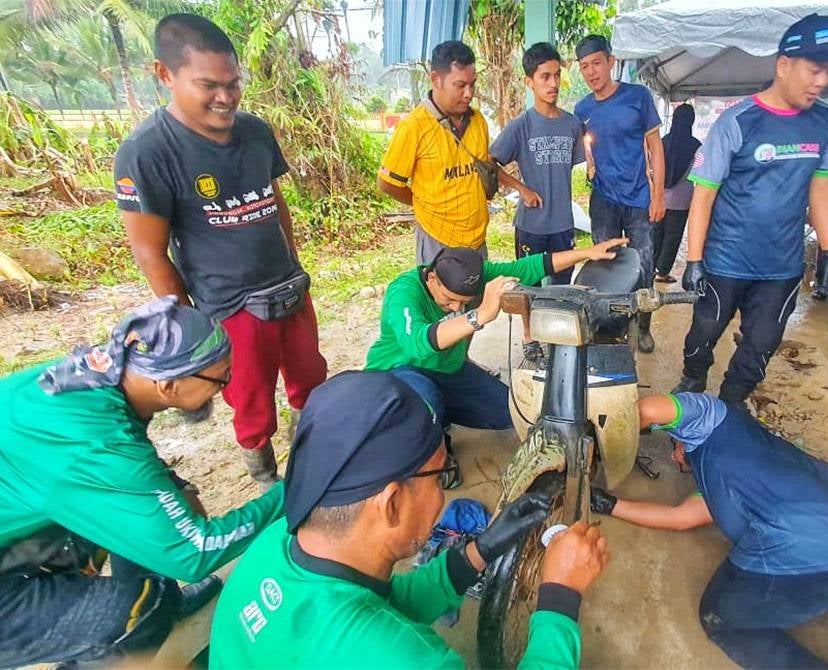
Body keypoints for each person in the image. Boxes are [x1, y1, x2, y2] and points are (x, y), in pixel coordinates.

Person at [209, 371, 609, 669]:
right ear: (392, 503)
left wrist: (481, 549)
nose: (445, 490)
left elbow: (387, 603)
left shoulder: (275, 545)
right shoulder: (407, 659)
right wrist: (560, 597)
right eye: (439, 475)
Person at [0, 297, 285, 668]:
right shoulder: (97, 447)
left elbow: (133, 473)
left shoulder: (93, 376)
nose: (223, 387)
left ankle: (163, 600)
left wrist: (174, 484)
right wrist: (287, 494)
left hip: (21, 522)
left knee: (146, 518)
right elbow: (195, 553)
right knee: (143, 609)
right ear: (168, 385)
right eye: (220, 378)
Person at [114, 14, 327, 488]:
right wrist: (190, 327)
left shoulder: (255, 132)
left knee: (310, 377)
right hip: (231, 306)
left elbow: (274, 202)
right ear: (165, 74)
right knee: (250, 400)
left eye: (233, 84)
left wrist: (293, 263)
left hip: (288, 287)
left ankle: (312, 450)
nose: (226, 97)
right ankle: (265, 475)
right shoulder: (147, 152)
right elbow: (150, 253)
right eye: (208, 85)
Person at [589, 392, 828, 670]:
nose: (672, 457)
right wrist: (610, 504)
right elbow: (678, 518)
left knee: (720, 618)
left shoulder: (707, 419)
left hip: (803, 541)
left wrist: (601, 438)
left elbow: (647, 410)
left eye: (673, 447)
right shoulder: (721, 484)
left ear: (681, 437)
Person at [673, 13, 828, 405]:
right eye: (814, 70)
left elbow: (822, 185)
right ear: (784, 65)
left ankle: (731, 406)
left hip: (781, 267)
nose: (822, 81)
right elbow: (703, 195)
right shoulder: (738, 121)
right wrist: (695, 261)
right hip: (725, 261)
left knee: (761, 344)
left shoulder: (824, 121)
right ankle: (693, 379)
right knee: (704, 331)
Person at [365, 239, 626, 486]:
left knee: (511, 413)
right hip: (399, 372)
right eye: (449, 300)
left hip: (448, 369)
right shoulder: (404, 292)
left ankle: (437, 414)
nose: (455, 307)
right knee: (425, 401)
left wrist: (587, 252)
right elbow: (418, 344)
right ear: (432, 278)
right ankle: (431, 451)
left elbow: (531, 267)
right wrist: (479, 314)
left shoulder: (479, 276)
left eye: (463, 303)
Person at [379, 41, 530, 264]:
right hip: (438, 241)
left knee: (479, 288)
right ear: (435, 80)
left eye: (472, 85)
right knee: (443, 289)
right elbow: (387, 183)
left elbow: (484, 167)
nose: (468, 94)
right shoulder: (414, 127)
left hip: (477, 240)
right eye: (460, 85)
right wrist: (422, 204)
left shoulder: (478, 121)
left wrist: (519, 188)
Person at [490, 42, 585, 364]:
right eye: (545, 76)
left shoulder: (572, 124)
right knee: (528, 286)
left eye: (557, 75)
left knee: (561, 287)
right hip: (531, 225)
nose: (553, 83)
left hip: (563, 224)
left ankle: (557, 337)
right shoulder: (521, 126)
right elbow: (489, 164)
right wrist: (522, 188)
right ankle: (530, 337)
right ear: (529, 81)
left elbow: (578, 162)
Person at [575, 34, 665, 353]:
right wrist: (590, 162)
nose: (591, 72)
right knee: (606, 265)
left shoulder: (638, 97)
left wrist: (658, 195)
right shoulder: (582, 108)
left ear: (611, 62)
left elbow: (655, 147)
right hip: (603, 200)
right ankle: (611, 328)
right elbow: (584, 145)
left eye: (596, 63)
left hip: (639, 197)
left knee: (643, 264)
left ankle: (643, 325)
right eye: (584, 66)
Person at [653, 103, 701, 284]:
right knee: (672, 238)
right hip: (682, 201)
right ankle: (662, 272)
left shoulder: (663, 142)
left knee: (656, 235)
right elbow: (699, 174)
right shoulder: (696, 146)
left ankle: (650, 268)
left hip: (660, 198)